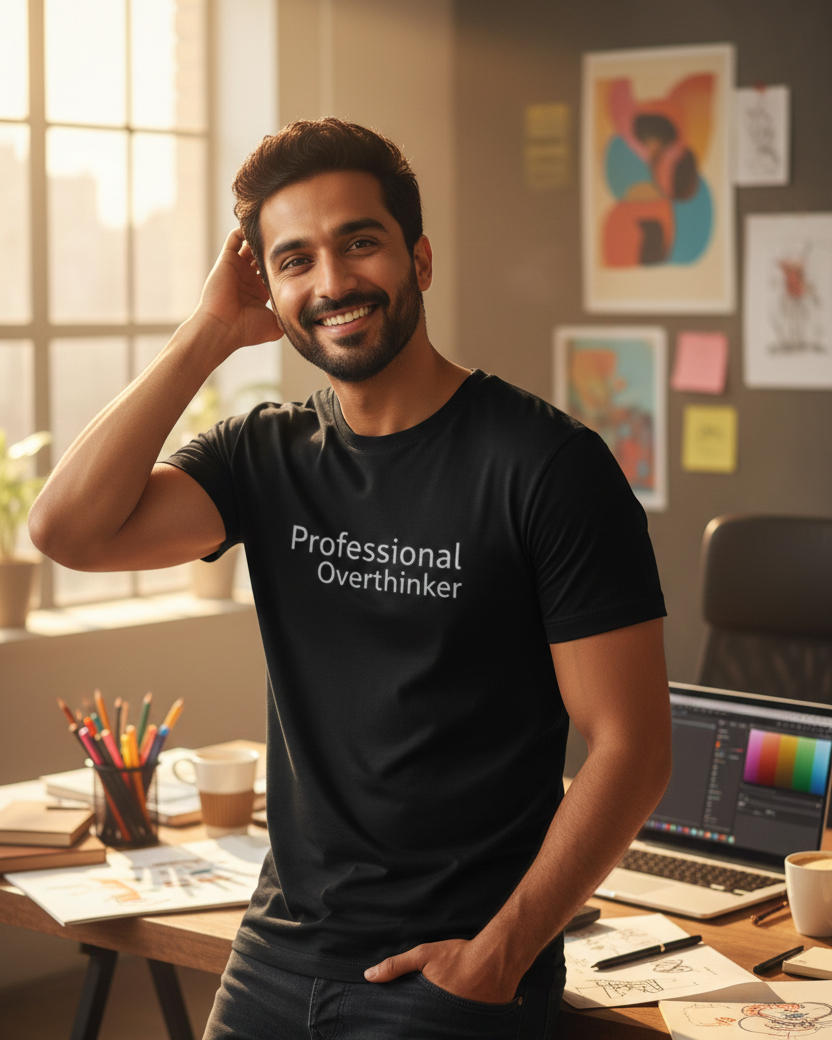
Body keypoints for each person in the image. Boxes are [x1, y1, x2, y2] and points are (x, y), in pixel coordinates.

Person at [30, 117, 672, 1040]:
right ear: (268, 286)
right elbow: (67, 531)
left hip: (449, 977)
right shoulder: (265, 456)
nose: (331, 284)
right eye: (294, 261)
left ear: (419, 258)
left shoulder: (546, 466)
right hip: (275, 957)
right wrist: (211, 330)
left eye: (358, 243)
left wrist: (497, 957)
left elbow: (632, 749)